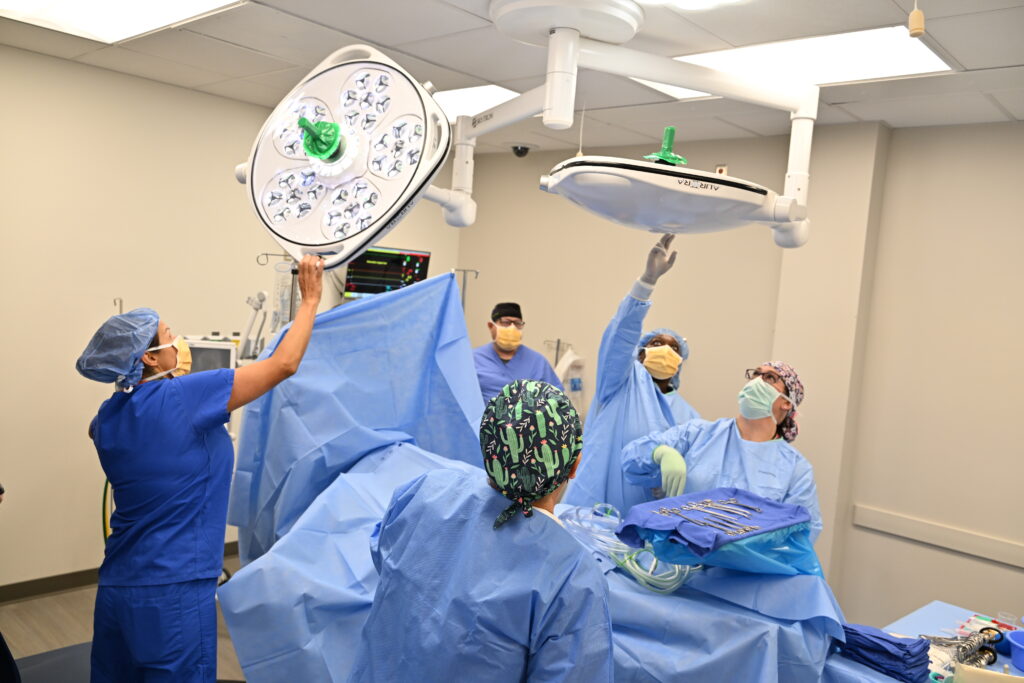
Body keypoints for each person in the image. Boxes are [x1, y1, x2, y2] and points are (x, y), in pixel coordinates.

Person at [76, 254, 324, 682]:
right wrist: (310, 302)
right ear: (150, 359)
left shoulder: (106, 417)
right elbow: (283, 365)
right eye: (171, 336)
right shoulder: (187, 397)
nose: (180, 342)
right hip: (173, 590)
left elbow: (105, 430)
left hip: (118, 585)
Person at [348, 380, 613, 683]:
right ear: (575, 464)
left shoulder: (427, 490)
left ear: (488, 445)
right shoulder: (572, 578)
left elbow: (384, 557)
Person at [565, 234, 698, 513]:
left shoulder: (689, 417)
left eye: (674, 348)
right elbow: (620, 336)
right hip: (593, 513)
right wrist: (646, 284)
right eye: (656, 344)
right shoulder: (620, 383)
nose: (665, 350)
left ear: (680, 362)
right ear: (640, 353)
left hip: (648, 525)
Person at [621, 362, 823, 542]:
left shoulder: (795, 468)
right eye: (755, 374)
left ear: (787, 402)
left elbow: (800, 535)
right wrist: (660, 452)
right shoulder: (699, 434)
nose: (757, 381)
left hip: (742, 574)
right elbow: (631, 458)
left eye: (770, 378)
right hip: (677, 559)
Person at [473, 302, 564, 405]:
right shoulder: (474, 359)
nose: (512, 328)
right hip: (484, 420)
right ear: (491, 326)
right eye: (506, 322)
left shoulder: (537, 362)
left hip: (528, 420)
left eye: (517, 323)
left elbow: (556, 400)